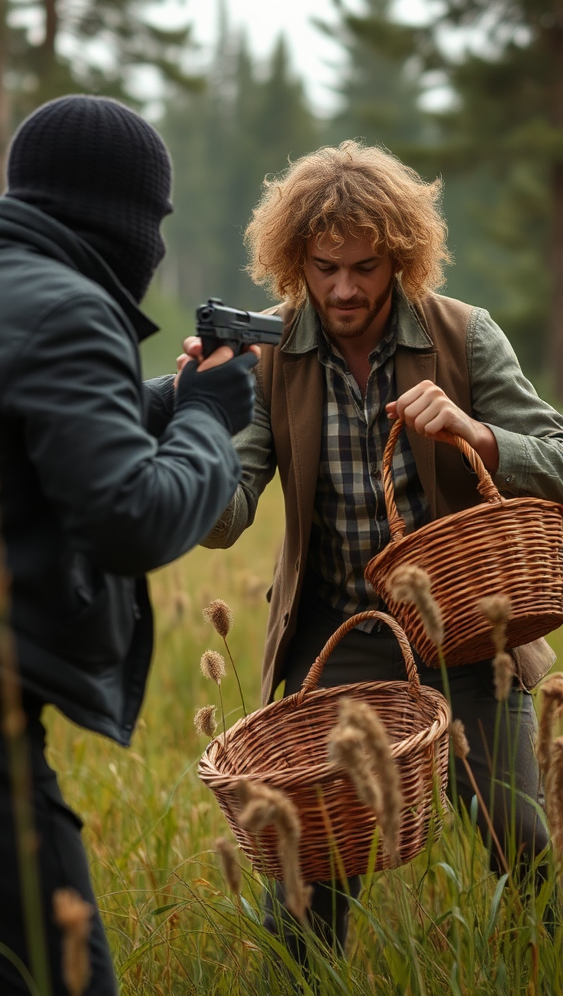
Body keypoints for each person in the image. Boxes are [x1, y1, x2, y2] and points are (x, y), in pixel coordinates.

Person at [199, 140, 563, 961]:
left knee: (521, 840)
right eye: (324, 268)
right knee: (305, 873)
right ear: (296, 260)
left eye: (363, 268)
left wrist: (478, 433)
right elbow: (227, 513)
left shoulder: (465, 335)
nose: (343, 288)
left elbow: (558, 456)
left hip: (469, 636)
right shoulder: (270, 357)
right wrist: (188, 431)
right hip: (339, 638)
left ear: (398, 256)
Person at [0, 95, 259, 995]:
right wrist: (212, 421)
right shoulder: (70, 306)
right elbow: (131, 517)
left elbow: (26, 427)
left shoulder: (6, 282)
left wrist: (165, 397)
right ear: (126, 220)